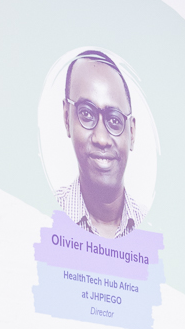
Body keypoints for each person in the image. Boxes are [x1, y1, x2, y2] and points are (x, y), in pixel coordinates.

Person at [57, 50, 144, 239]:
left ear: (132, 132)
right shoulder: (43, 215)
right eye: (86, 114)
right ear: (67, 117)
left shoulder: (152, 228)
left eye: (114, 120)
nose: (101, 139)